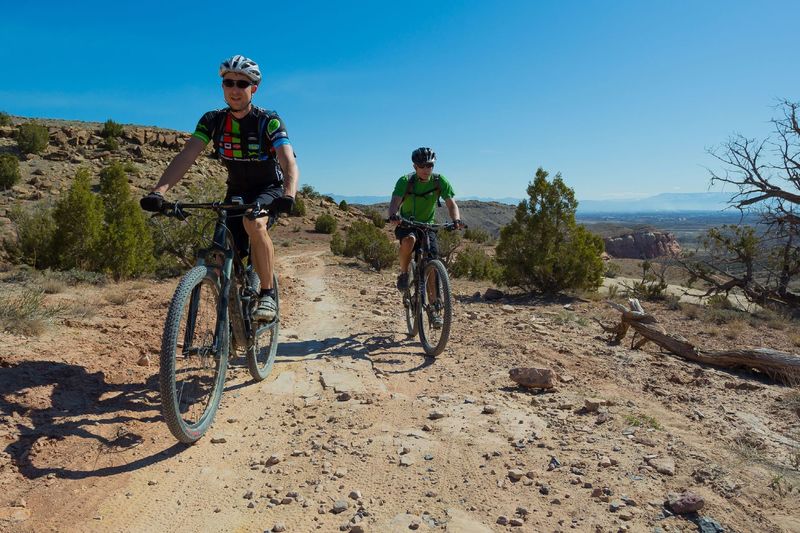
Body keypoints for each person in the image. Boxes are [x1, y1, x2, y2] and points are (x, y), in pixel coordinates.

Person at [140, 55, 298, 322]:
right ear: (222, 86)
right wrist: (159, 192)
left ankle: (268, 294)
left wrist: (288, 194)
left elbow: (287, 160)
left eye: (242, 83)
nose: (235, 89)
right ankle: (232, 310)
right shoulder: (212, 121)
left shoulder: (268, 121)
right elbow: (186, 156)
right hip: (235, 190)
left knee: (255, 224)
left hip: (268, 189)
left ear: (253, 89)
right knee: (221, 243)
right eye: (228, 83)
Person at [388, 147, 463, 324]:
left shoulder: (439, 181)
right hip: (406, 223)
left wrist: (456, 220)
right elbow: (394, 202)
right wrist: (393, 215)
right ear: (415, 166)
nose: (426, 169)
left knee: (432, 262)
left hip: (428, 226)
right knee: (409, 240)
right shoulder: (405, 181)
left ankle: (434, 307)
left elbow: (452, 204)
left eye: (429, 165)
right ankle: (404, 274)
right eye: (422, 166)